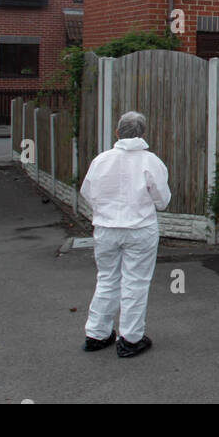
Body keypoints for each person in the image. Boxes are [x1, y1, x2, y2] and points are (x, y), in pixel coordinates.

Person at [80, 111, 170, 358]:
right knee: (135, 282)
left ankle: (97, 334)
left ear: (117, 132)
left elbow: (87, 192)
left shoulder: (101, 160)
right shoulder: (151, 162)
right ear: (143, 133)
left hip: (106, 228)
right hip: (140, 229)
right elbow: (162, 200)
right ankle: (130, 338)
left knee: (107, 278)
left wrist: (106, 210)